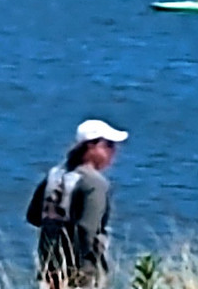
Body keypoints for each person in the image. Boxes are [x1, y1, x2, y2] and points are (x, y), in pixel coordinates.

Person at [26, 119, 128, 289]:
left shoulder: (54, 175)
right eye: (108, 145)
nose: (114, 151)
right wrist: (88, 272)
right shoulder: (95, 183)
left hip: (50, 266)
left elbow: (33, 216)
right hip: (81, 273)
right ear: (91, 148)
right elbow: (87, 231)